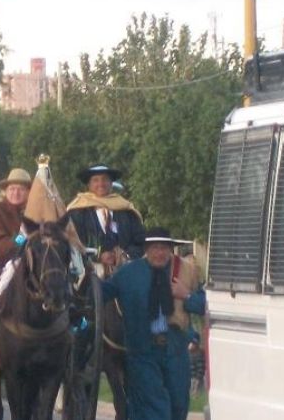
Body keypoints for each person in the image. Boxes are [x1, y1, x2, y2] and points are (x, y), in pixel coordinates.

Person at [101, 227, 206, 420]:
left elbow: (204, 305)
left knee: (178, 406)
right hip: (142, 350)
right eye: (155, 248)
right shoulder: (128, 274)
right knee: (152, 409)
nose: (159, 253)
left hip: (175, 349)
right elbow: (101, 292)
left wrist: (187, 295)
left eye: (164, 248)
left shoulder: (186, 271)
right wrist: (88, 272)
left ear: (170, 249)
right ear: (146, 249)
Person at [67, 164, 145, 263]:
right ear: (89, 185)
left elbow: (140, 242)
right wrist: (98, 256)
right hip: (89, 271)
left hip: (125, 269)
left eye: (105, 179)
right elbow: (72, 243)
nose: (101, 184)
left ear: (111, 183)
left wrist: (124, 255)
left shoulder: (127, 211)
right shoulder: (77, 212)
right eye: (96, 180)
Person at [0, 168, 32, 276]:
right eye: (12, 189)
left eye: (21, 189)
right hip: (1, 272)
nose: (16, 193)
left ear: (29, 192)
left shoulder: (34, 212)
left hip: (33, 270)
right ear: (6, 191)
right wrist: (21, 238)